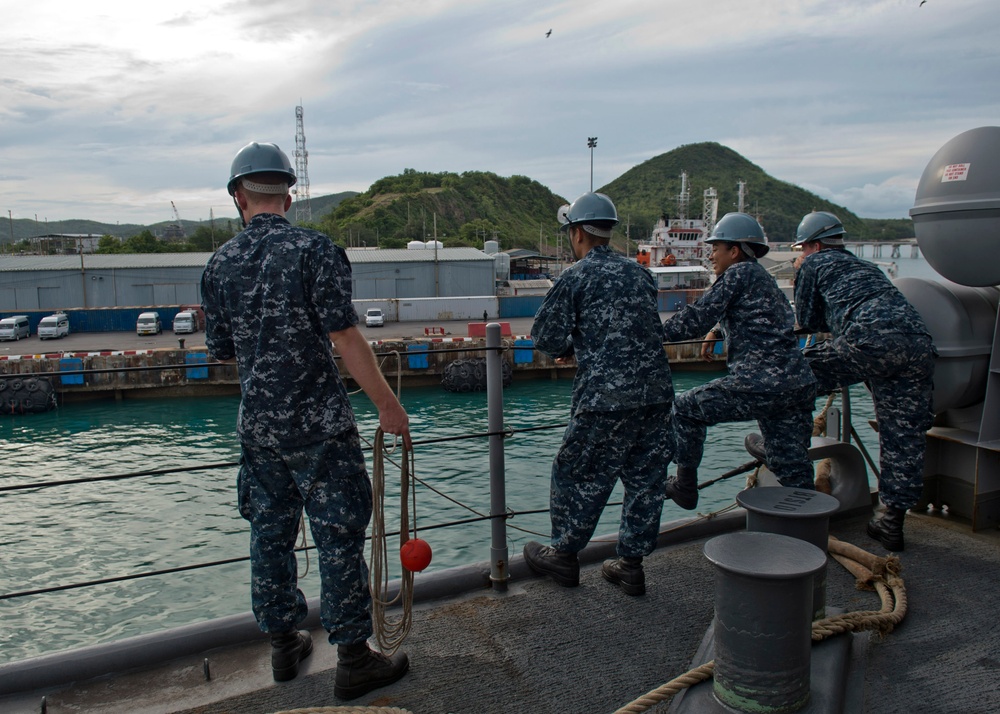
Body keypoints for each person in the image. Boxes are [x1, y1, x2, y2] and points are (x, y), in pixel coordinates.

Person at [201, 141, 410, 698]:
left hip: (260, 432)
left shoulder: (219, 264)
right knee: (339, 537)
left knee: (269, 537)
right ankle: (352, 658)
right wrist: (388, 407)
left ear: (237, 196)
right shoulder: (316, 251)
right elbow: (345, 336)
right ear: (288, 196)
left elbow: (221, 348)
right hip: (319, 428)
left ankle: (283, 645)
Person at [522, 192, 674, 597]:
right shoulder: (641, 274)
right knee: (645, 479)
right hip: (657, 393)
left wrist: (571, 345)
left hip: (606, 398)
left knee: (575, 471)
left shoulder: (577, 276)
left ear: (576, 233)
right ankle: (631, 565)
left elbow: (546, 338)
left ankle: (565, 555)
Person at [793, 211, 935, 551]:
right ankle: (892, 522)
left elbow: (809, 320)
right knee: (902, 435)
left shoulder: (814, 264)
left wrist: (802, 273)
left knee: (790, 376)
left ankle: (784, 449)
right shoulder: (869, 269)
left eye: (803, 249)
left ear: (812, 245)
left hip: (868, 341)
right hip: (917, 344)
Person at [662, 212, 817, 510]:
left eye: (715, 248)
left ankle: (684, 486)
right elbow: (764, 318)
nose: (711, 256)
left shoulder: (737, 273)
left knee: (685, 409)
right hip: (796, 385)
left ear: (734, 251)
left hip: (761, 383)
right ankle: (810, 529)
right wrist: (718, 330)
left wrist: (648, 336)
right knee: (792, 468)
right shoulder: (763, 279)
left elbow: (693, 318)